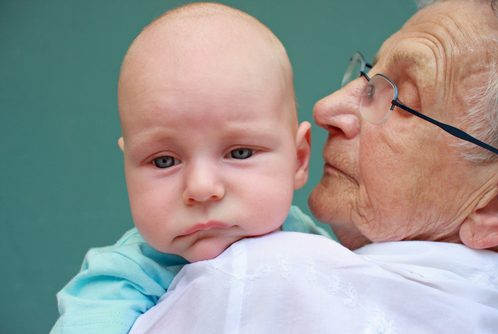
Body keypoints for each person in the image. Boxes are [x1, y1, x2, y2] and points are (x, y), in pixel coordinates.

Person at [127, 0, 498, 332]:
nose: (326, 109)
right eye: (368, 78)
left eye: (397, 100)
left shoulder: (250, 282)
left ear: (492, 207)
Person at [50, 2, 331, 333]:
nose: (200, 187)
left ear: (298, 159)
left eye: (239, 153)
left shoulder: (318, 245)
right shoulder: (123, 280)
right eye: (164, 161)